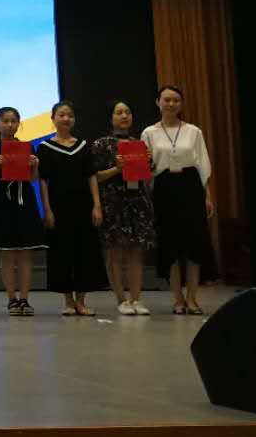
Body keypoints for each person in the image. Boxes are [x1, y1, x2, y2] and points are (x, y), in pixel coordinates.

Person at [142, 85, 216, 315]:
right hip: (164, 189)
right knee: (171, 245)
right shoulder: (149, 133)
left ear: (181, 104)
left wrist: (207, 194)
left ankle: (192, 298)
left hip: (191, 187)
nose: (171, 104)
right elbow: (146, 168)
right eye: (167, 100)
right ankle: (177, 299)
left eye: (176, 100)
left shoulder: (194, 131)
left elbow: (202, 164)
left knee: (195, 244)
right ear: (158, 102)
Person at [37, 100, 108, 316]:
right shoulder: (44, 148)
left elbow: (91, 176)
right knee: (62, 252)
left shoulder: (83, 145)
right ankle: (68, 301)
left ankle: (82, 301)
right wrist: (47, 209)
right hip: (59, 206)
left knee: (84, 251)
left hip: (83, 205)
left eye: (69, 115)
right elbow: (43, 180)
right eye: (61, 115)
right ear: (53, 118)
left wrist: (97, 205)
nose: (66, 118)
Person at [93, 101, 155, 316]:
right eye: (119, 112)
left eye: (128, 112)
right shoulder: (102, 144)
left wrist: (146, 163)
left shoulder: (139, 144)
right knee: (115, 252)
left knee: (136, 251)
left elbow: (148, 178)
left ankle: (136, 298)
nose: (124, 116)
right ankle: (121, 299)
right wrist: (117, 168)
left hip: (138, 201)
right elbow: (95, 176)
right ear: (111, 118)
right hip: (113, 202)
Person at [0, 106, 45, 316]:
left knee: (26, 251)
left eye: (13, 121)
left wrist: (35, 165)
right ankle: (11, 299)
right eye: (5, 121)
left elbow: (33, 178)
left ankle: (25, 299)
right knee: (7, 251)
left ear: (19, 124)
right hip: (3, 199)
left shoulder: (27, 147)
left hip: (25, 197)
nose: (10, 125)